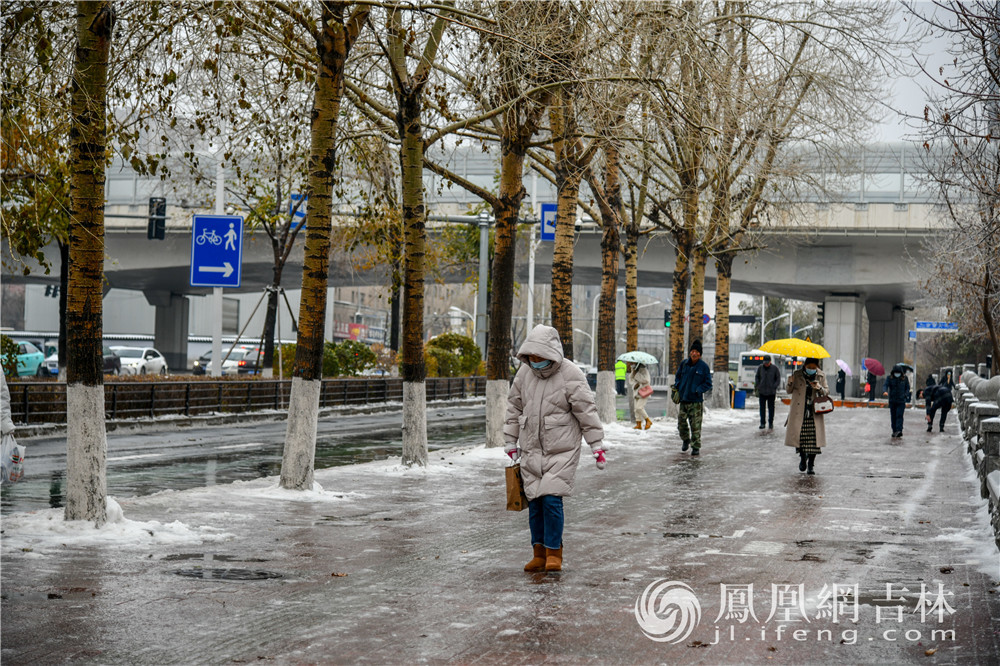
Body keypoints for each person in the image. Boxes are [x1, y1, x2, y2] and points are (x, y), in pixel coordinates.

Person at [504, 325, 605, 573]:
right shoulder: (524, 374)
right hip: (531, 449)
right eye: (532, 357)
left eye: (540, 357)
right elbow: (513, 408)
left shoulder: (570, 374)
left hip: (562, 449)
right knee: (535, 503)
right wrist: (510, 441)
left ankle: (554, 553)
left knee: (551, 500)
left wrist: (597, 445)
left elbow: (586, 411)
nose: (536, 362)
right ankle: (538, 552)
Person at [784, 357, 828, 475]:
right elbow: (788, 390)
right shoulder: (797, 374)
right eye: (809, 367)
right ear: (805, 366)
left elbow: (826, 392)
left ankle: (811, 465)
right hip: (799, 412)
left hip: (814, 412)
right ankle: (803, 458)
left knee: (814, 441)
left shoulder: (821, 376)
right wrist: (790, 381)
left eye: (814, 368)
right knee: (800, 438)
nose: (811, 370)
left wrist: (818, 387)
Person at [673, 340, 712, 456]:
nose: (694, 354)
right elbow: (677, 376)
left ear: (700, 354)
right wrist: (677, 386)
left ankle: (695, 447)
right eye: (692, 351)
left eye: (696, 352)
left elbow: (708, 383)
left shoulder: (703, 367)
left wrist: (698, 390)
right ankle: (685, 439)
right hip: (684, 400)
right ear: (690, 352)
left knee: (695, 426)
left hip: (696, 401)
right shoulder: (684, 364)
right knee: (681, 423)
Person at [754, 354, 781, 431]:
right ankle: (762, 423)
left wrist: (774, 386)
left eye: (767, 362)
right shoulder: (760, 368)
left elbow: (778, 379)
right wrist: (758, 385)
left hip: (771, 392)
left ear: (770, 362)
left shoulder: (775, 368)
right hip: (762, 391)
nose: (766, 364)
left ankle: (770, 423)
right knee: (762, 408)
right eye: (765, 362)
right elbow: (757, 377)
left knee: (771, 408)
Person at [883, 364, 910, 438]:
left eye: (898, 372)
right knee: (893, 416)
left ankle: (899, 430)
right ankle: (894, 430)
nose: (897, 374)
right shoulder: (890, 378)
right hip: (893, 400)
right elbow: (885, 385)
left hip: (901, 401)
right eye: (896, 372)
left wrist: (905, 395)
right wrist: (885, 391)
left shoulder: (905, 379)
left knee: (899, 415)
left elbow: (907, 388)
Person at [630, 362, 653, 430]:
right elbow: (631, 380)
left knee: (639, 408)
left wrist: (636, 374)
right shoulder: (634, 370)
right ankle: (639, 424)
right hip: (636, 392)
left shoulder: (644, 370)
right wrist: (634, 385)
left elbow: (646, 380)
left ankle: (648, 420)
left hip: (644, 392)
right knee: (636, 410)